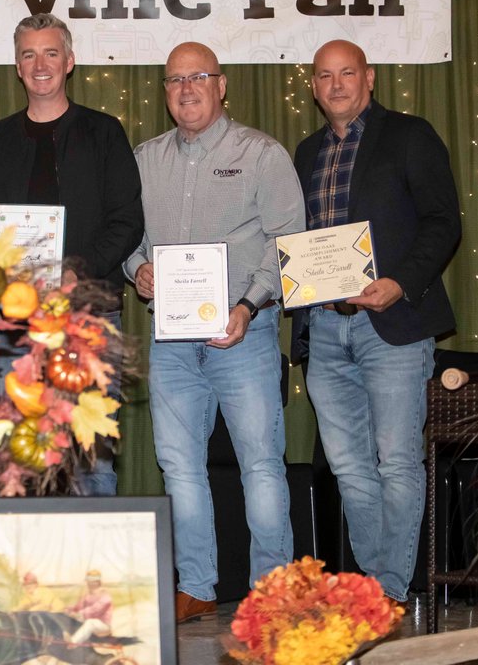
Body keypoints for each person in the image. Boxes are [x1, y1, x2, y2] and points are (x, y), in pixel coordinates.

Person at [124, 42, 304, 621]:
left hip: (244, 335)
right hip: (171, 341)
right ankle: (198, 587)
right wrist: (137, 269)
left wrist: (249, 305)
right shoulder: (144, 158)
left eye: (198, 76)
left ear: (222, 85)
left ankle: (273, 592)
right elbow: (126, 234)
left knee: (261, 465)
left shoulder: (262, 154)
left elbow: (286, 242)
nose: (187, 88)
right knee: (179, 467)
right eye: (175, 79)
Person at [293, 39, 461, 603]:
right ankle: (378, 586)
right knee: (348, 468)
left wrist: (399, 283)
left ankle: (389, 587)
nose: (336, 84)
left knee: (397, 462)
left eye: (347, 73)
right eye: (324, 76)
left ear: (370, 79)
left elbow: (443, 223)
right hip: (325, 327)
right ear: (313, 87)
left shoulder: (411, 135)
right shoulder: (305, 152)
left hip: (392, 324)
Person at [0, 13, 144, 496]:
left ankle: (96, 573)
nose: (39, 64)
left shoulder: (104, 134)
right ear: (17, 67)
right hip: (13, 324)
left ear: (69, 61)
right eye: (28, 54)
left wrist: (73, 273)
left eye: (50, 53)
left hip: (89, 318)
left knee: (91, 461)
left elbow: (127, 221)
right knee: (14, 454)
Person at [66, 569, 113, 644]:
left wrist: (78, 614)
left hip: (103, 625)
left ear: (98, 583)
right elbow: (79, 606)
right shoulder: (87, 595)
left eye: (93, 582)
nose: (90, 584)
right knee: (70, 619)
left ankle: (72, 642)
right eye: (89, 582)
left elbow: (95, 609)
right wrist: (68, 609)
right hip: (88, 621)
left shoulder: (105, 595)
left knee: (90, 622)